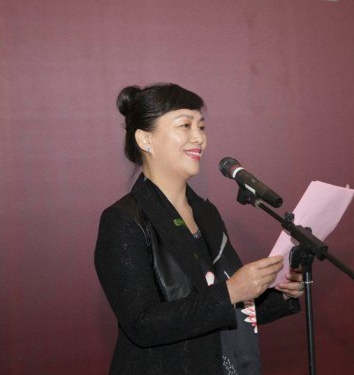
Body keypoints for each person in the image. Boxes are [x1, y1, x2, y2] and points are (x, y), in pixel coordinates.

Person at [95, 83, 304, 375]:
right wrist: (230, 292)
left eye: (201, 127)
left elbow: (225, 308)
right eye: (185, 125)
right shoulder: (123, 221)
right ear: (145, 139)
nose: (199, 138)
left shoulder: (206, 213)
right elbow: (142, 324)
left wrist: (280, 293)